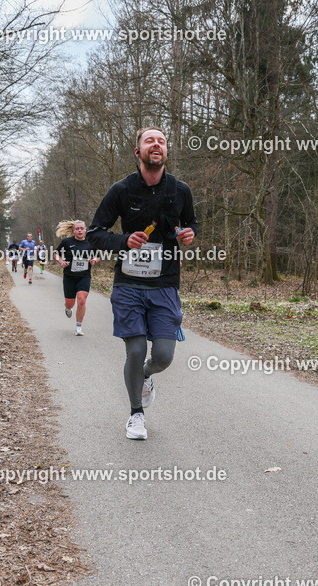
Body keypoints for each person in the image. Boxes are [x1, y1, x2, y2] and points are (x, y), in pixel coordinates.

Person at [87, 127, 197, 440]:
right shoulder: (121, 190)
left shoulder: (180, 190)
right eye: (149, 140)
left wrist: (188, 234)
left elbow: (191, 224)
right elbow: (96, 233)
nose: (156, 144)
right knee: (135, 351)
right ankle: (136, 414)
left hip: (164, 286)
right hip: (129, 286)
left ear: (166, 151)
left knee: (162, 356)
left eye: (161, 140)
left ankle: (146, 376)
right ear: (138, 152)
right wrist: (123, 240)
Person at [55, 220, 99, 336]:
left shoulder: (91, 242)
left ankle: (78, 327)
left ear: (85, 230)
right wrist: (61, 261)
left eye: (81, 228)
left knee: (82, 300)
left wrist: (94, 260)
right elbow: (56, 253)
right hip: (69, 276)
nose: (79, 230)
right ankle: (67, 307)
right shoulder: (67, 242)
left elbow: (97, 256)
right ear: (74, 231)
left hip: (84, 276)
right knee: (70, 303)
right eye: (77, 229)